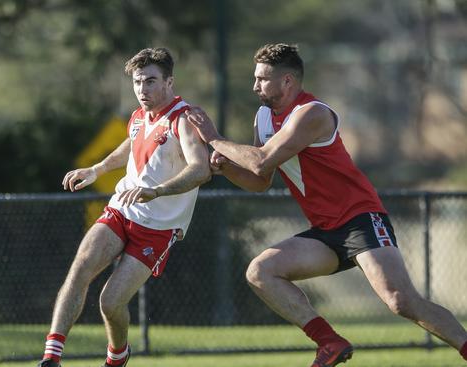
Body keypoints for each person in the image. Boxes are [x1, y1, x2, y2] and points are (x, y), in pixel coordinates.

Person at [186, 43, 467, 367]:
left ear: (288, 81)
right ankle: (329, 342)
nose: (255, 86)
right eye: (256, 78)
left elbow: (261, 162)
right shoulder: (263, 116)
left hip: (360, 218)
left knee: (400, 301)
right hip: (326, 230)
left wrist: (214, 138)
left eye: (263, 79)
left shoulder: (312, 113)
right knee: (261, 271)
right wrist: (225, 167)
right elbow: (260, 181)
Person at [36, 47, 210, 367]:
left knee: (110, 303)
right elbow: (129, 145)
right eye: (138, 82)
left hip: (157, 229)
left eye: (151, 82)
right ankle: (52, 357)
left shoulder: (183, 119)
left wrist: (156, 191)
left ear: (169, 82)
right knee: (80, 268)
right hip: (121, 209)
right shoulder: (138, 116)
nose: (142, 90)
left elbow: (201, 169)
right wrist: (97, 169)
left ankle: (118, 355)